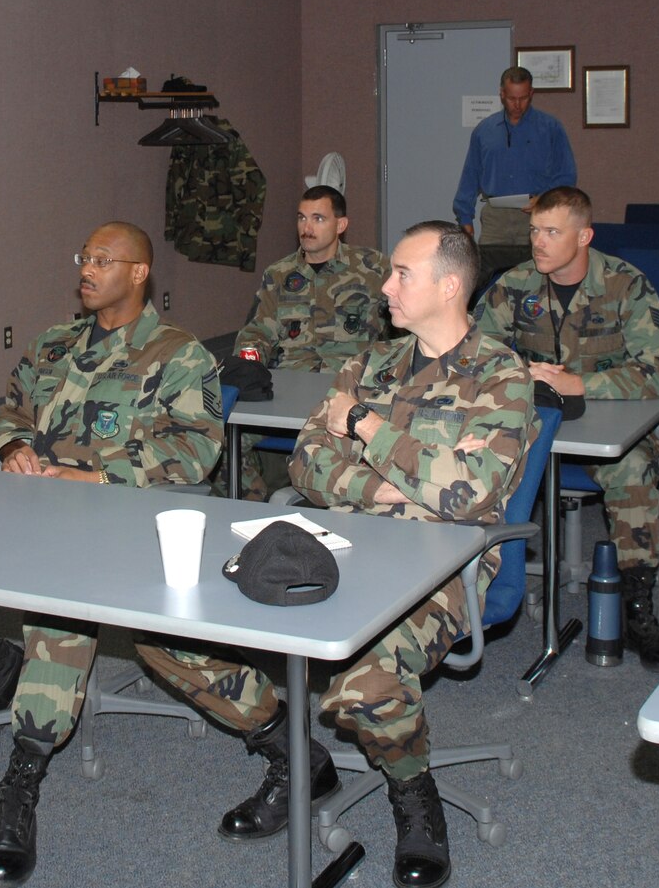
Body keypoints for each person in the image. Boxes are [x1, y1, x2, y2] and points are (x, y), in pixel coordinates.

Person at [137, 221, 533, 888]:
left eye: (402, 274)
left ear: (450, 284)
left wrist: (365, 424)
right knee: (164, 630)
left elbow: (467, 495)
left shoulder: (501, 375)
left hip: (442, 569)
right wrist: (397, 482)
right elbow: (307, 461)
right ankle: (292, 751)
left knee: (365, 681)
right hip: (338, 543)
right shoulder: (370, 362)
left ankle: (414, 794)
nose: (385, 286)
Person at [0, 222, 223, 887]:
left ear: (139, 273)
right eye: (85, 257)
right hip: (30, 513)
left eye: (104, 260)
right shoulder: (52, 344)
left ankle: (21, 779)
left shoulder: (178, 354)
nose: (87, 269)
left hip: (123, 525)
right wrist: (10, 449)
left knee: (56, 615)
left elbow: (196, 450)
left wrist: (100, 476)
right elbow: (4, 416)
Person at [472, 187, 659, 669]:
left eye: (551, 232)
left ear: (584, 235)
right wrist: (519, 374)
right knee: (470, 453)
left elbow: (657, 371)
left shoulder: (626, 285)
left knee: (632, 469)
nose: (538, 243)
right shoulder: (515, 284)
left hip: (606, 424)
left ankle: (636, 606)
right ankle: (472, 585)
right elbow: (475, 354)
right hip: (530, 422)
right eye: (533, 231)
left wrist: (579, 382)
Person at [230, 184, 388, 499]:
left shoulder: (373, 269)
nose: (307, 228)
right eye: (302, 218)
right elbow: (258, 330)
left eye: (318, 219)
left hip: (347, 390)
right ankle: (259, 511)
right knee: (218, 441)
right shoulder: (280, 273)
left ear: (340, 225)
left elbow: (402, 327)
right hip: (287, 386)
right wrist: (248, 368)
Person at [452, 67, 578, 279]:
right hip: (496, 217)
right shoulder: (484, 130)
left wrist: (544, 199)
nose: (517, 105)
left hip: (536, 214)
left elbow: (567, 176)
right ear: (502, 94)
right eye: (511, 98)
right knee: (486, 278)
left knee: (536, 276)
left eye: (523, 98)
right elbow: (470, 175)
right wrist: (464, 216)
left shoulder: (550, 128)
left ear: (531, 94)